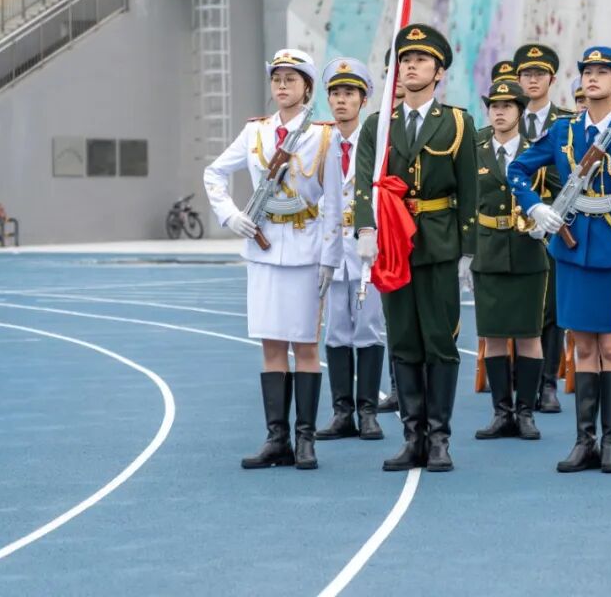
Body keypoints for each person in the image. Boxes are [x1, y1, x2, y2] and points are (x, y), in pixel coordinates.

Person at [509, 45, 611, 473]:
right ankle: (584, 440)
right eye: (587, 71)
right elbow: (517, 170)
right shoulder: (564, 131)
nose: (592, 78)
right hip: (574, 249)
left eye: (602, 72)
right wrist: (536, 207)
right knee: (582, 346)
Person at [204, 48, 342, 469]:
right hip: (263, 251)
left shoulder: (324, 136)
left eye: (291, 79)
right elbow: (214, 173)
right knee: (271, 345)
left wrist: (330, 258)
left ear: (307, 88)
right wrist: (230, 215)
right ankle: (276, 438)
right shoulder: (255, 132)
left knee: (305, 347)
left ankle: (305, 440)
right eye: (277, 79)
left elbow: (334, 203)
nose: (282, 86)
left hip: (306, 251)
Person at [354, 24, 478, 473]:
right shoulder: (379, 125)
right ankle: (413, 438)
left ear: (439, 71)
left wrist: (468, 251)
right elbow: (365, 183)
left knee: (440, 343)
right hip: (393, 244)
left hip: (439, 244)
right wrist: (365, 230)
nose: (410, 66)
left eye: (421, 60)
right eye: (405, 59)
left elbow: (469, 190)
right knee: (404, 341)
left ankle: (439, 438)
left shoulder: (458, 123)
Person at [471, 80, 550, 440]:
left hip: (527, 249)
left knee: (529, 335)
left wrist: (544, 225)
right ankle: (502, 412)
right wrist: (466, 250)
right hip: (488, 248)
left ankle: (526, 412)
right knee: (494, 336)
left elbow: (557, 193)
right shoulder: (475, 148)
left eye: (507, 106)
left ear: (520, 111)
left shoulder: (538, 150)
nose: (499, 112)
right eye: (494, 106)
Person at [315, 57, 387, 442]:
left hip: (367, 247)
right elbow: (319, 197)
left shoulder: (375, 143)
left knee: (369, 328)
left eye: (349, 93)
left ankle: (368, 411)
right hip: (333, 250)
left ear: (363, 99)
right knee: (336, 331)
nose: (341, 101)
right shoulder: (321, 144)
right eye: (335, 93)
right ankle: (342, 412)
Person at [513, 42, 572, 413]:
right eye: (526, 74)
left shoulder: (567, 123)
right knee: (516, 305)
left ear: (552, 79)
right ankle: (518, 382)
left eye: (540, 74)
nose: (532, 80)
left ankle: (548, 382)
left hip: (555, 223)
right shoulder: (505, 116)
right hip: (513, 225)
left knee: (551, 308)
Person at [377, 46, 405, 415]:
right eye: (392, 71)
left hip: (421, 226)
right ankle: (398, 386)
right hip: (386, 231)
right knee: (391, 315)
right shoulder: (378, 123)